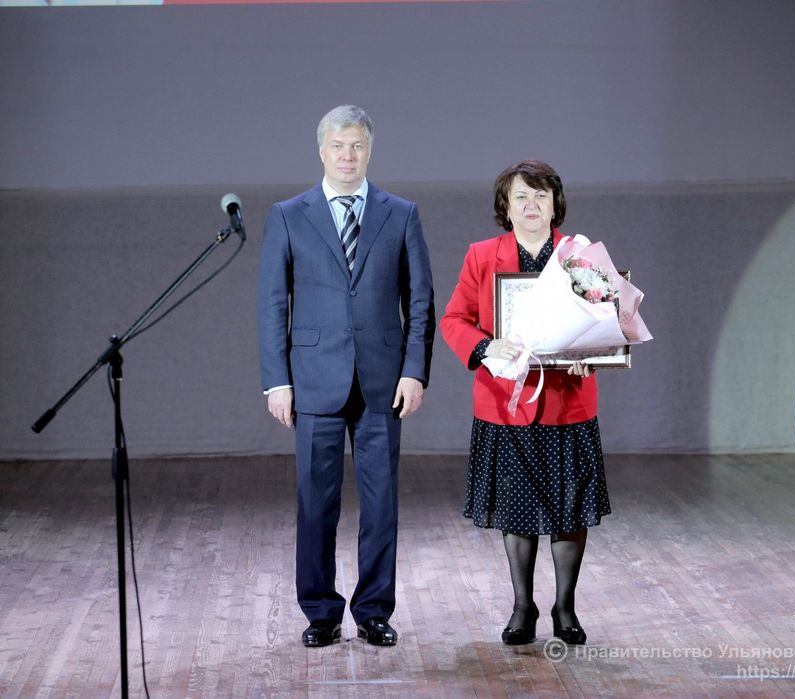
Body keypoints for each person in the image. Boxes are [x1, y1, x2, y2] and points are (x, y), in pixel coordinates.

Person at [256, 105, 435, 648]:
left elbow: (420, 301)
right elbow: (272, 304)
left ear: (369, 150)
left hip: (384, 381)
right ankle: (320, 612)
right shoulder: (289, 215)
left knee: (381, 505)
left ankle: (374, 610)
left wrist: (414, 371)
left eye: (357, 145)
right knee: (316, 503)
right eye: (338, 146)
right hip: (313, 380)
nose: (347, 155)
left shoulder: (401, 214)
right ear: (321, 151)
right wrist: (277, 380)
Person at [440, 160, 610, 646]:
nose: (531, 205)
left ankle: (565, 607)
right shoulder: (481, 255)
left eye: (541, 196)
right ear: (506, 206)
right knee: (516, 509)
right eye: (521, 196)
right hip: (505, 404)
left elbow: (607, 322)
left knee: (570, 508)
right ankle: (522, 606)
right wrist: (486, 346)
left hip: (567, 402)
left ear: (555, 205)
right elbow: (454, 319)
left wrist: (590, 357)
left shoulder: (580, 256)